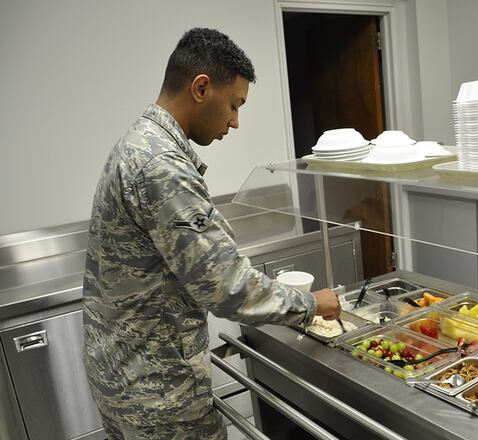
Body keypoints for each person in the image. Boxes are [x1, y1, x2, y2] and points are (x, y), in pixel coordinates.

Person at [82, 28, 340, 440]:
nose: (235, 122)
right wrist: (309, 303)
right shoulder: (161, 165)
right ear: (201, 87)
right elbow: (225, 286)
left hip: (123, 376)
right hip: (159, 394)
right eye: (235, 105)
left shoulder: (138, 142)